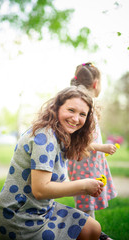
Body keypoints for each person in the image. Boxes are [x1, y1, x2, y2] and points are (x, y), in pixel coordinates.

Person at [0, 86, 104, 240]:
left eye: (82, 114)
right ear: (56, 108)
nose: (76, 119)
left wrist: (86, 188)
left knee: (93, 229)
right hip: (19, 218)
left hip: (42, 210)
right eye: (71, 110)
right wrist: (83, 185)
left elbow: (57, 183)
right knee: (90, 231)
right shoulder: (44, 137)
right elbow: (40, 190)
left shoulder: (59, 136)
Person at [68, 63, 117, 240]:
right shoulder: (84, 106)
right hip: (84, 164)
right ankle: (90, 235)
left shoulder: (79, 103)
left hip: (88, 163)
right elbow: (77, 140)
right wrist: (102, 148)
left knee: (87, 203)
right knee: (85, 204)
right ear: (96, 84)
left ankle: (94, 234)